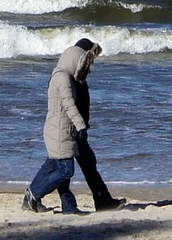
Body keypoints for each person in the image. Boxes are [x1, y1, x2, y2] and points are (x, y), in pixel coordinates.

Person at [22, 38, 125, 214]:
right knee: (63, 170)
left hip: (73, 130)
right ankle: (33, 195)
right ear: (78, 59)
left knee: (86, 164)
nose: (89, 67)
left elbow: (82, 105)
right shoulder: (63, 78)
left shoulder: (76, 79)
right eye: (87, 61)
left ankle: (101, 201)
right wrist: (81, 126)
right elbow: (69, 105)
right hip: (64, 130)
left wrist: (83, 126)